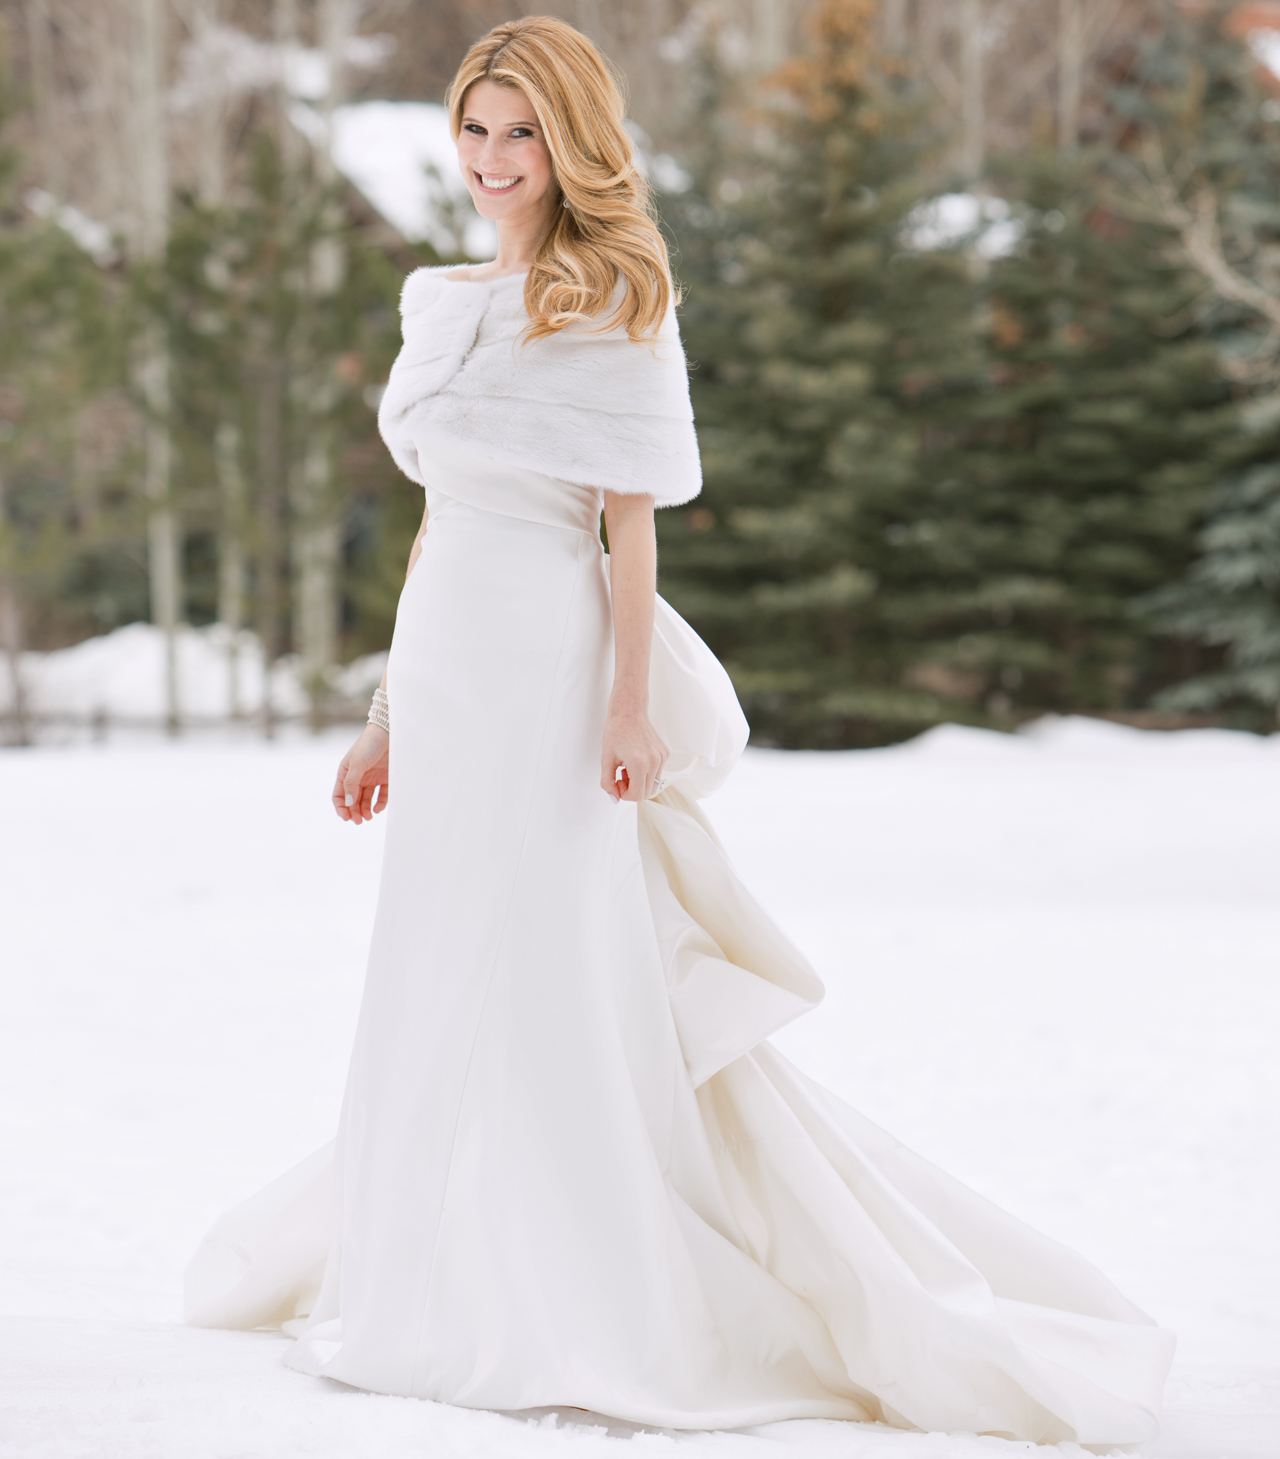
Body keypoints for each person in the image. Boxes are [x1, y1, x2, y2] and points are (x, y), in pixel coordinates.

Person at [185, 17, 1174, 1446]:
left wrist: (628, 705)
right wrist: (385, 716)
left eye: (520, 133)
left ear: (573, 140)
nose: (492, 160)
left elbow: (627, 539)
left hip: (556, 670)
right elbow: (435, 529)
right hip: (450, 670)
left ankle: (591, 1281)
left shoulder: (620, 302)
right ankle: (440, 1257)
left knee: (563, 963)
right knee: (444, 952)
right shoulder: (436, 301)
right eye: (475, 130)